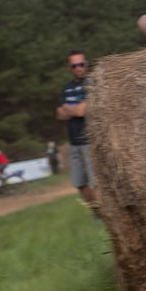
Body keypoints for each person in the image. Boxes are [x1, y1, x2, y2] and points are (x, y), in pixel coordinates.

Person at [56, 50, 97, 208]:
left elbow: (82, 111)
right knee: (79, 184)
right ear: (70, 68)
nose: (78, 68)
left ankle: (107, 216)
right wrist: (74, 110)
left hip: (90, 140)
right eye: (74, 66)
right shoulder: (67, 88)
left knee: (96, 183)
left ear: (86, 64)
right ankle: (98, 213)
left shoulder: (93, 83)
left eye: (81, 64)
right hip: (74, 143)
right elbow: (59, 114)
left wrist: (69, 109)